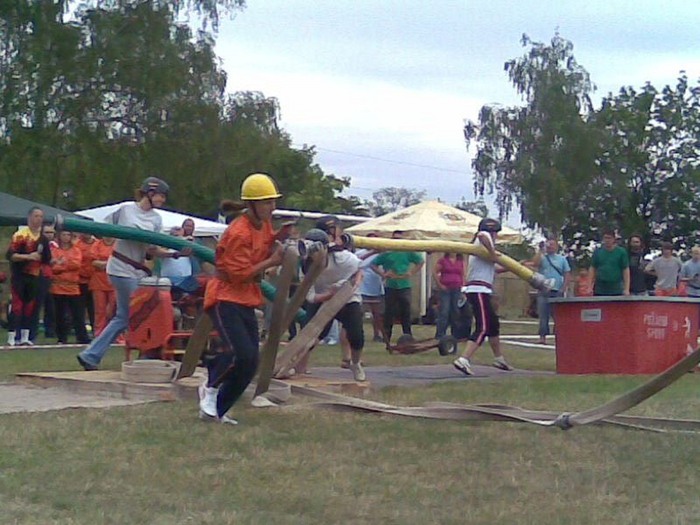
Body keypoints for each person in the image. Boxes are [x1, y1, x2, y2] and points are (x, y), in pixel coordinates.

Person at [198, 173, 289, 424]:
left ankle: (219, 411)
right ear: (251, 205)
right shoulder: (239, 232)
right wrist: (272, 261)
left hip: (245, 297)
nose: (272, 207)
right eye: (267, 202)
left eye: (273, 201)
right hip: (224, 296)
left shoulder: (264, 224)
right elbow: (237, 275)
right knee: (237, 352)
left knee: (251, 362)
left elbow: (264, 243)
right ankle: (210, 387)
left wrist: (280, 236)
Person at [77, 176, 185, 370]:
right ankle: (146, 352)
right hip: (120, 268)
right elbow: (104, 229)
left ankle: (91, 355)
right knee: (140, 311)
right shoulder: (126, 209)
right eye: (160, 196)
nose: (162, 200)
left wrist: (175, 253)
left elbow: (152, 249)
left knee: (124, 316)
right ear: (149, 193)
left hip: (136, 271)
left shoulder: (156, 219)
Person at [295, 225, 366, 381]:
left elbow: (359, 269)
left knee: (356, 335)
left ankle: (355, 363)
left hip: (347, 298)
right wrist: (328, 295)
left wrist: (353, 284)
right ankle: (298, 367)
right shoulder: (306, 267)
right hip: (323, 297)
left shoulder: (343, 259)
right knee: (308, 334)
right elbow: (310, 296)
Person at [453, 218, 513, 376]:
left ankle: (499, 358)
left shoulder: (483, 249)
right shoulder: (483, 239)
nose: (496, 236)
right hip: (477, 289)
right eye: (495, 233)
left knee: (493, 325)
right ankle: (464, 359)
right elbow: (482, 235)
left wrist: (515, 266)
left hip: (482, 290)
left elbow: (495, 268)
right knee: (483, 327)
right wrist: (493, 253)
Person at [6, 207, 49, 346]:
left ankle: (25, 336)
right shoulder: (21, 235)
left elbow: (46, 259)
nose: (39, 219)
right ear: (29, 217)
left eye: (41, 216)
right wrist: (28, 257)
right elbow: (11, 255)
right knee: (17, 306)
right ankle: (12, 336)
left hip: (34, 276)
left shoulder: (42, 238)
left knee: (30, 307)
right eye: (36, 216)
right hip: (20, 275)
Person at [371, 230, 423, 344]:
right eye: (395, 239)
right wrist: (383, 274)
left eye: (399, 239)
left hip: (404, 285)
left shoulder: (407, 251)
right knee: (389, 312)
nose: (397, 241)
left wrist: (411, 272)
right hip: (391, 285)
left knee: (406, 312)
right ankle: (386, 337)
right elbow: (373, 264)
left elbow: (420, 261)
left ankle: (408, 336)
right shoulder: (387, 253)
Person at [50, 231, 91, 345]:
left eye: (68, 235)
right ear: (59, 236)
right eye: (63, 234)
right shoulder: (54, 250)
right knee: (59, 314)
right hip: (57, 286)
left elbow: (76, 264)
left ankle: (82, 337)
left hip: (73, 286)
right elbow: (53, 267)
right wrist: (64, 265)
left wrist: (62, 264)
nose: (65, 237)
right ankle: (61, 338)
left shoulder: (76, 250)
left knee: (77, 313)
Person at [530, 239, 570, 345]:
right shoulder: (542, 257)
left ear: (556, 247)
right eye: (549, 244)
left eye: (552, 245)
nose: (550, 246)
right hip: (543, 290)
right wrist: (540, 250)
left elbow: (566, 274)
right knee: (543, 315)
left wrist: (564, 288)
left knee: (558, 315)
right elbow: (535, 263)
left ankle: (559, 336)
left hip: (557, 290)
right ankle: (542, 337)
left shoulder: (562, 259)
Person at [357, 233, 384, 343]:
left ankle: (377, 334)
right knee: (359, 312)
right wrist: (372, 252)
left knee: (377, 313)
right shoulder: (360, 252)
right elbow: (358, 263)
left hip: (376, 286)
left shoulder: (381, 255)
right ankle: (358, 333)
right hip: (362, 286)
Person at [433, 252, 466, 339]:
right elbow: (435, 272)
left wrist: (463, 288)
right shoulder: (443, 260)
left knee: (455, 311)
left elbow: (463, 275)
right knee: (444, 311)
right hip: (446, 289)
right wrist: (439, 285)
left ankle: (455, 334)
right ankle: (440, 334)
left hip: (457, 288)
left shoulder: (460, 261)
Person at [89, 237, 116, 337]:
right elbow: (93, 262)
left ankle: (117, 335)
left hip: (115, 281)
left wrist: (104, 264)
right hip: (98, 281)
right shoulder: (97, 245)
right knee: (100, 310)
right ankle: (99, 334)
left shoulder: (119, 245)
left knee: (115, 309)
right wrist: (109, 263)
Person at [589, 229, 630, 296]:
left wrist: (626, 288)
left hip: (616, 287)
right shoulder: (597, 252)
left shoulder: (621, 252)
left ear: (614, 239)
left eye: (609, 238)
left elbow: (625, 270)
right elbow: (592, 268)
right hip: (600, 288)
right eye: (605, 238)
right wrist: (589, 286)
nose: (607, 240)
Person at [75, 233, 96, 335]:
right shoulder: (76, 244)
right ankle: (81, 334)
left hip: (95, 281)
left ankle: (96, 332)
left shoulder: (98, 244)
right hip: (79, 281)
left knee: (95, 309)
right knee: (79, 309)